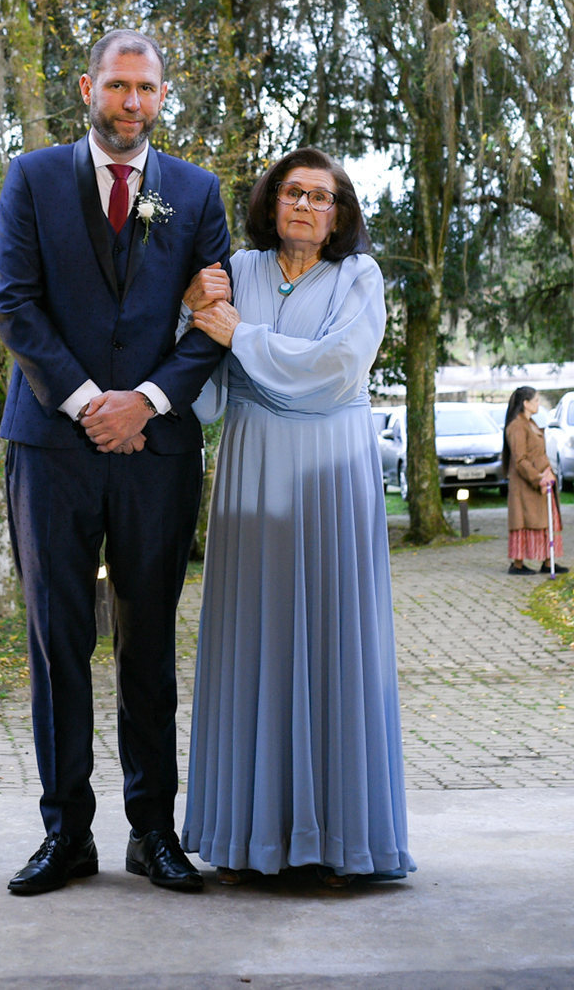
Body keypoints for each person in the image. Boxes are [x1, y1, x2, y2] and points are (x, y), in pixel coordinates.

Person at [0, 29, 231, 896]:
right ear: (88, 86)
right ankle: (66, 835)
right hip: (52, 443)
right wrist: (92, 401)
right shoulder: (32, 179)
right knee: (57, 641)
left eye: (148, 90)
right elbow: (14, 305)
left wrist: (148, 403)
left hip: (156, 450)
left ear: (164, 96)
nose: (132, 103)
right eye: (119, 86)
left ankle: (153, 831)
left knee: (149, 642)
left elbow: (214, 321)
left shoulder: (199, 193)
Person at [179, 148, 416, 888]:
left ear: (341, 213)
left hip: (332, 468)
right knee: (255, 637)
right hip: (252, 461)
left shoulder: (360, 276)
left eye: (323, 196)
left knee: (332, 638)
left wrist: (238, 336)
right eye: (293, 192)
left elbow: (338, 367)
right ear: (270, 202)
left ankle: (337, 839)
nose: (307, 206)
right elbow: (206, 379)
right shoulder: (239, 272)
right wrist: (191, 311)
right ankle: (247, 838)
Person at [502, 387, 565, 576]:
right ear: (526, 403)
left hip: (543, 481)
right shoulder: (517, 426)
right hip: (527, 486)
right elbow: (520, 459)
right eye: (536, 400)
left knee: (548, 521)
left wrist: (547, 471)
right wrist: (538, 478)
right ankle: (518, 564)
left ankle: (549, 561)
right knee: (525, 523)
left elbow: (538, 453)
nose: (539, 404)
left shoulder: (532, 423)